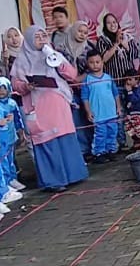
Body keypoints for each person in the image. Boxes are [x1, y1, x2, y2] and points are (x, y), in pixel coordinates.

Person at [10, 26, 88, 193]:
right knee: (46, 141)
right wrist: (26, 86)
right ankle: (54, 180)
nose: (40, 40)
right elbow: (15, 84)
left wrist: (58, 63)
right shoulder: (21, 60)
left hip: (58, 102)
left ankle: (74, 175)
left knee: (65, 137)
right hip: (37, 106)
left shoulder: (52, 53)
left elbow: (71, 75)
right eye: (36, 37)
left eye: (43, 36)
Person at [80, 50, 121, 163]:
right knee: (100, 134)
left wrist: (118, 107)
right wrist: (88, 111)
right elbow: (85, 98)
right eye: (92, 62)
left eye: (97, 62)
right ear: (87, 64)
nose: (95, 65)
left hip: (111, 112)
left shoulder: (108, 77)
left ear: (102, 62)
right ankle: (99, 153)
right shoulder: (87, 80)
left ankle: (111, 151)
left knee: (112, 131)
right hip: (98, 114)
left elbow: (115, 93)